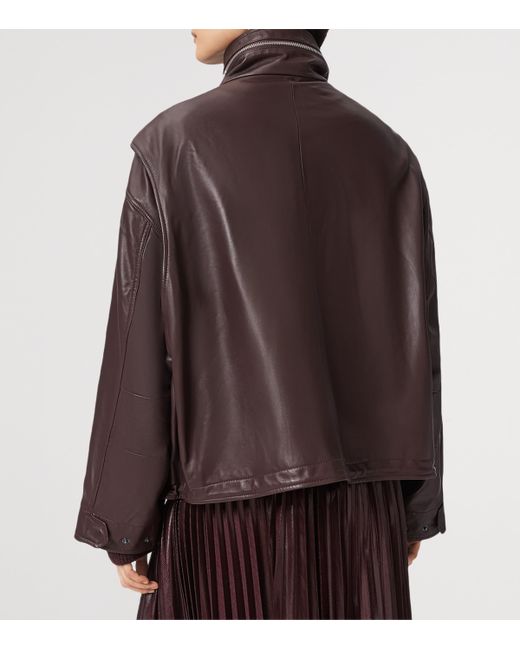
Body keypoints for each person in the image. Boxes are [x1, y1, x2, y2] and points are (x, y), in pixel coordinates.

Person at [74, 28, 446, 620]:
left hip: (223, 515)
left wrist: (121, 517)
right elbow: (416, 339)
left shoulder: (172, 144)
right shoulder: (389, 151)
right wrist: (416, 504)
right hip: (362, 511)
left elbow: (138, 348)